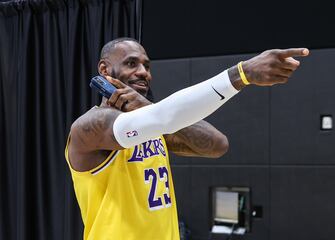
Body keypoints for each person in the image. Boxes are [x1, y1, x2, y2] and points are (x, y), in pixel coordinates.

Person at [65, 37, 309, 240]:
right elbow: (162, 117)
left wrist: (143, 105)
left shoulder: (155, 123)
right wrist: (240, 75)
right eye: (131, 63)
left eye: (147, 66)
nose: (143, 73)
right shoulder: (90, 127)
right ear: (104, 70)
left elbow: (217, 145)